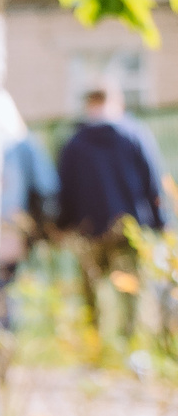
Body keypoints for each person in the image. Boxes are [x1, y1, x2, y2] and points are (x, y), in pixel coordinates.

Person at [56, 84, 169, 340]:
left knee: (91, 295)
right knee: (131, 292)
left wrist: (64, 225)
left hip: (89, 231)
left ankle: (95, 343)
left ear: (88, 105)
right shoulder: (134, 135)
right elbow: (152, 182)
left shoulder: (74, 143)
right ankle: (130, 344)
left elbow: (65, 191)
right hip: (129, 228)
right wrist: (161, 222)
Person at [0, 92, 56, 332]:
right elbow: (47, 188)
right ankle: (6, 336)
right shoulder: (25, 146)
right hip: (13, 232)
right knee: (9, 290)